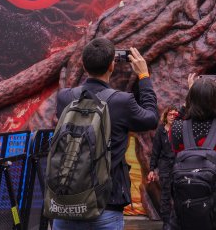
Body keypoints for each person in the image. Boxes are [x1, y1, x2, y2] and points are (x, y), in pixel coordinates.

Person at [52, 38, 158, 230]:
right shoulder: (122, 102)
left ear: (83, 65)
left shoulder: (64, 97)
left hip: (65, 203)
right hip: (105, 204)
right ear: (112, 65)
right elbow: (151, 119)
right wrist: (144, 76)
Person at [169, 74, 216, 229]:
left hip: (185, 207)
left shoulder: (177, 129)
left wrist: (191, 93)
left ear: (191, 100)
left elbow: (175, 122)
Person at [148, 106, 179, 229]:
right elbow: (155, 151)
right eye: (169, 114)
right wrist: (152, 169)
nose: (172, 116)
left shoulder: (178, 130)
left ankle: (177, 222)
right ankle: (166, 223)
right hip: (165, 166)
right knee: (165, 196)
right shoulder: (160, 131)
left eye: (174, 114)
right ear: (165, 117)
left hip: (177, 166)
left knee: (177, 195)